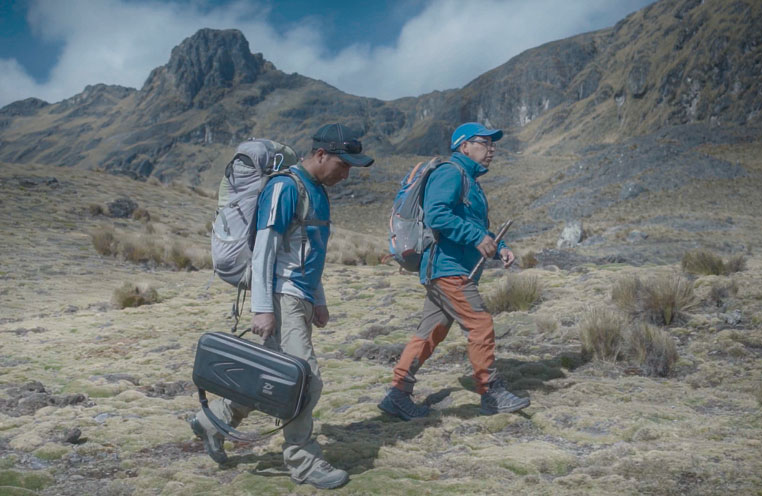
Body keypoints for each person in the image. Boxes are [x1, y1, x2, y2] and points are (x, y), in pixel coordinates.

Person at [190, 123, 373, 489]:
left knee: (274, 378)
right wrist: (263, 308)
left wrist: (318, 300)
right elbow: (265, 252)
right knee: (306, 380)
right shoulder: (285, 188)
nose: (347, 172)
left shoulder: (318, 191)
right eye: (343, 163)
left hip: (300, 298)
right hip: (281, 297)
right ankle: (304, 462)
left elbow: (310, 252)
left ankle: (213, 420)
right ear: (321, 155)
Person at [378, 122, 530, 421]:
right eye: (484, 143)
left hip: (450, 269)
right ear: (464, 146)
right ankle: (491, 393)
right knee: (480, 323)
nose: (492, 149)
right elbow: (437, 215)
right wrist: (476, 239)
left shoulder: (470, 181)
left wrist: (500, 247)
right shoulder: (450, 173)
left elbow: (476, 226)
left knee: (430, 332)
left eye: (492, 143)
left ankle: (397, 394)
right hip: (448, 269)